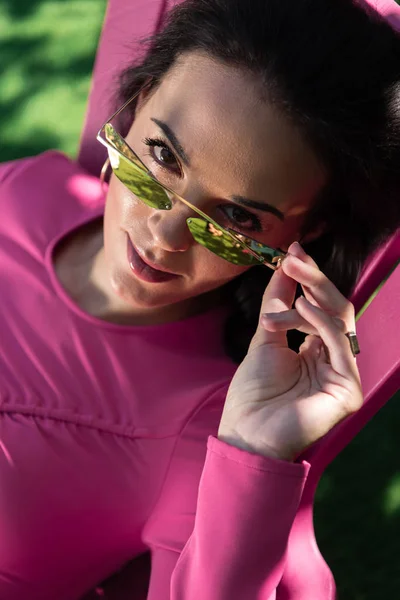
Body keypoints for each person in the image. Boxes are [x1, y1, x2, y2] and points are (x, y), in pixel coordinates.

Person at [0, 0, 399, 598]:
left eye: (235, 217)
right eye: (160, 157)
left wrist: (255, 451)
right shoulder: (25, 190)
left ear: (306, 232)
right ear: (139, 101)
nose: (162, 235)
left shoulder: (208, 435)